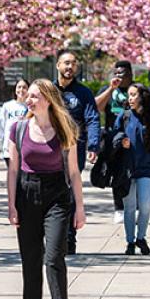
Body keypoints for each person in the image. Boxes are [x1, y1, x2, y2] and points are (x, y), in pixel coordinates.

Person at [7, 79, 86, 299]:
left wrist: (80, 208)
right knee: (30, 258)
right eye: (27, 95)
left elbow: (74, 172)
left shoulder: (65, 129)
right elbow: (13, 170)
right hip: (26, 194)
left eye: (34, 96)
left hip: (57, 196)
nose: (29, 100)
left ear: (49, 100)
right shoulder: (17, 128)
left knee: (54, 255)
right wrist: (11, 205)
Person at [115, 83, 150, 256]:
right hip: (127, 168)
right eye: (128, 95)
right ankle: (130, 241)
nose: (129, 98)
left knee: (145, 206)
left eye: (133, 95)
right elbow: (113, 135)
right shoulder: (124, 116)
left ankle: (141, 237)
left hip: (147, 168)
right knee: (129, 207)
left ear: (142, 97)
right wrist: (120, 140)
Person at [53, 49, 99, 254]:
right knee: (51, 193)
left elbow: (92, 119)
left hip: (74, 150)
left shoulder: (84, 93)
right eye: (66, 63)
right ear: (58, 66)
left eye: (73, 63)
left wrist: (93, 145)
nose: (69, 67)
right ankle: (54, 237)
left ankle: (69, 238)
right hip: (48, 149)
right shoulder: (48, 91)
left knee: (70, 192)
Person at [95, 60, 134, 224]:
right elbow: (96, 107)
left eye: (123, 74)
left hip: (134, 138)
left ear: (131, 75)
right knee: (117, 173)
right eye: (117, 73)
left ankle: (134, 207)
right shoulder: (108, 90)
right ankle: (119, 208)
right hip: (113, 137)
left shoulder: (136, 90)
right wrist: (111, 89)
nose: (120, 77)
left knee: (134, 173)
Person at [0, 78, 29, 168]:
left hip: (26, 149)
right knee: (14, 176)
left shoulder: (31, 107)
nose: (21, 90)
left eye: (24, 87)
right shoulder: (7, 106)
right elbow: (0, 127)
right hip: (9, 149)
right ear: (15, 89)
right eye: (19, 87)